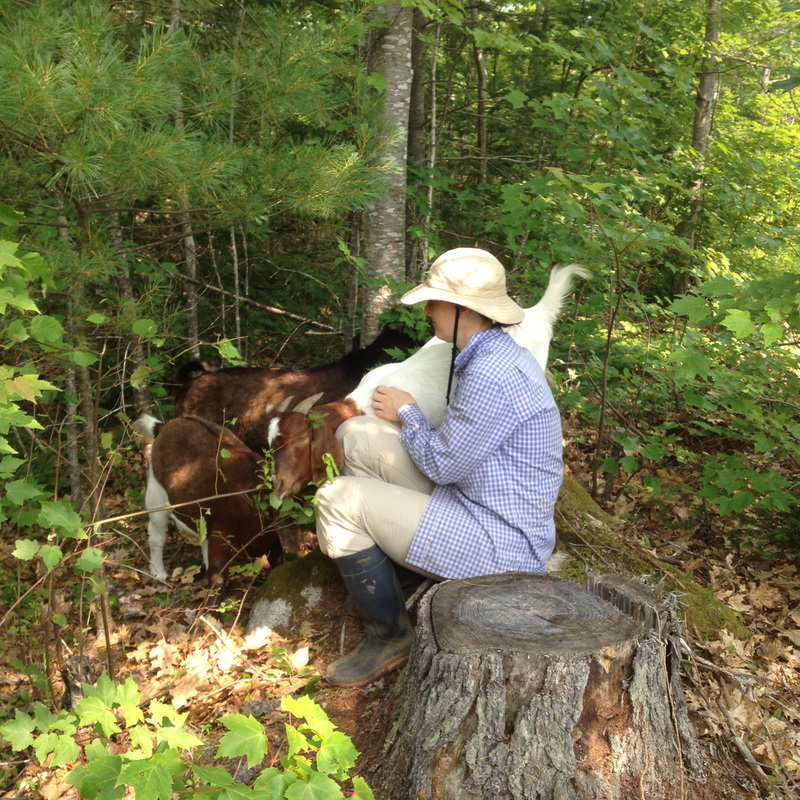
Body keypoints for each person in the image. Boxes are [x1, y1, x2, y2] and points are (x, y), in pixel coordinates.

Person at [314, 247, 564, 687]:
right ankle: (397, 578)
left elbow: (445, 463)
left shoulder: (491, 373)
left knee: (336, 501)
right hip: (479, 503)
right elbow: (455, 454)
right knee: (357, 436)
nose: (427, 309)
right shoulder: (489, 353)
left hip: (499, 546)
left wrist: (409, 412)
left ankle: (389, 634)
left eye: (434, 301)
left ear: (462, 309)